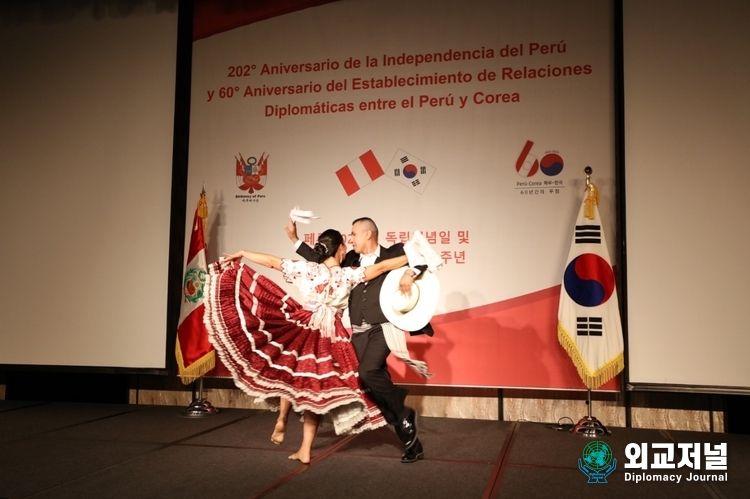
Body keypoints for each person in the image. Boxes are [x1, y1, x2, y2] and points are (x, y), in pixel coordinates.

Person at [203, 228, 410, 464]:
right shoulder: (347, 275)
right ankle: (305, 447)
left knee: (289, 373)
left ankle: (283, 419)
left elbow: (271, 262)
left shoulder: (308, 268)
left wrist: (242, 252)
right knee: (314, 390)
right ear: (341, 249)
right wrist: (411, 256)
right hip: (329, 335)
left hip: (305, 324)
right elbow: (383, 267)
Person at [287, 217, 432, 464]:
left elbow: (424, 255)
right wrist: (294, 240)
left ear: (368, 234)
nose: (350, 239)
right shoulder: (351, 260)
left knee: (367, 371)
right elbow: (320, 260)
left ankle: (401, 407)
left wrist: (409, 273)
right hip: (358, 331)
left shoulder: (393, 252)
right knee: (367, 383)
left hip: (384, 327)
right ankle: (410, 439)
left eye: (353, 234)